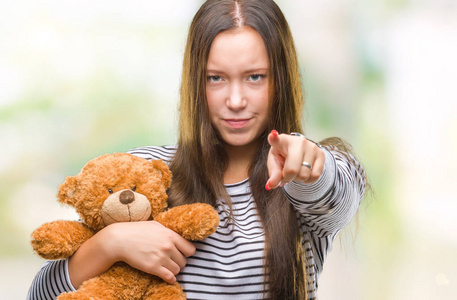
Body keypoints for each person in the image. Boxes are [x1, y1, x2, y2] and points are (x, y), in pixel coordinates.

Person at [27, 0, 366, 299]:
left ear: (281, 80)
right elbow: (39, 296)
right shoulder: (146, 171)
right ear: (194, 82)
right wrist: (109, 243)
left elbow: (336, 189)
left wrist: (310, 167)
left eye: (255, 77)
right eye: (215, 78)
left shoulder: (305, 178)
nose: (235, 101)